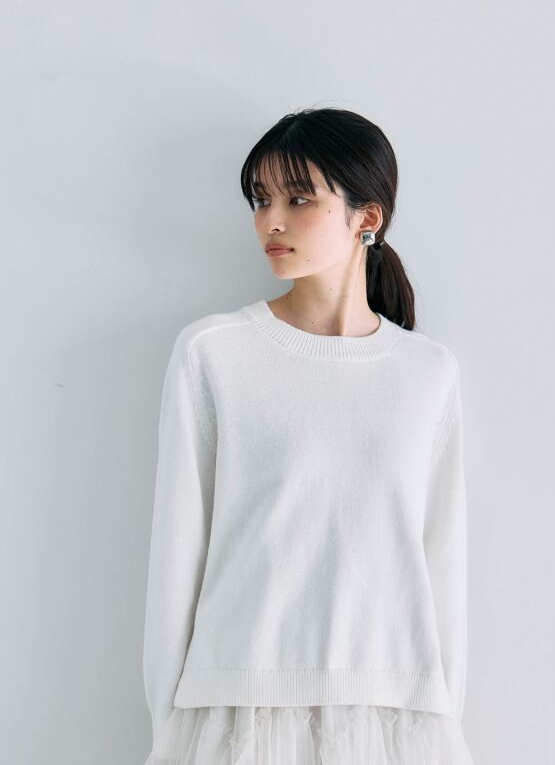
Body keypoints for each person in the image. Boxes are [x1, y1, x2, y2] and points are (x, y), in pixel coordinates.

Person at [142, 107, 477, 764]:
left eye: (298, 199)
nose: (270, 221)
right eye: (260, 199)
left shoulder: (427, 373)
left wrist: (441, 720)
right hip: (237, 712)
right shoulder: (214, 353)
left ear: (366, 217)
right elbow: (177, 556)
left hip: (393, 718)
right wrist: (171, 734)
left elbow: (443, 563)